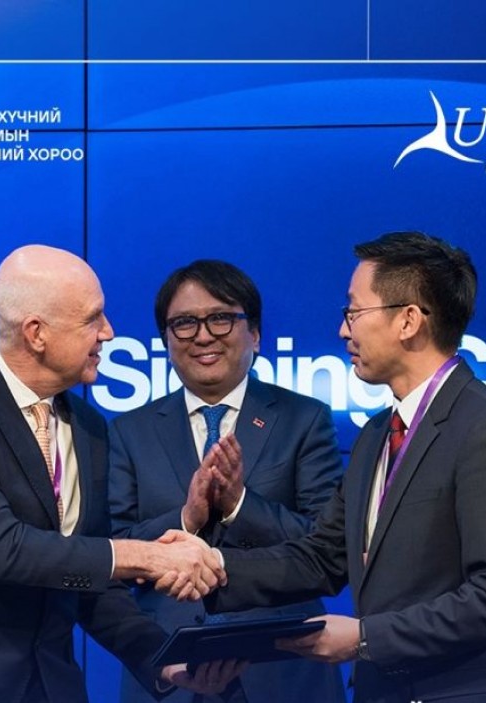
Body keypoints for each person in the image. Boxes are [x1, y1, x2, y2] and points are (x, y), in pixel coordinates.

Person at [0, 245, 238, 703]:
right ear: (36, 333)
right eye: (92, 319)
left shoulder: (89, 425)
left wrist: (164, 659)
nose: (108, 332)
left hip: (50, 686)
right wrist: (148, 556)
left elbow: (89, 576)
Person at [199, 231, 486, 703]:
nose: (344, 330)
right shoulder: (377, 434)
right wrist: (212, 567)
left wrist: (365, 638)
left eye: (354, 312)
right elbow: (322, 557)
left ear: (408, 320)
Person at [108, 259, 346, 703]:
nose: (203, 336)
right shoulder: (129, 431)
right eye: (184, 323)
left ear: (254, 333)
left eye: (220, 318)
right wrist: (186, 518)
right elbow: (112, 552)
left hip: (280, 667)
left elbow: (326, 545)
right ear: (165, 340)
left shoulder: (304, 419)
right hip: (170, 668)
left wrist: (240, 505)